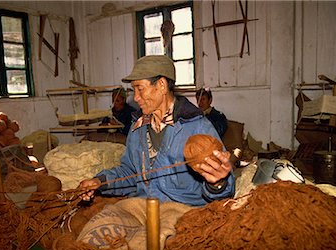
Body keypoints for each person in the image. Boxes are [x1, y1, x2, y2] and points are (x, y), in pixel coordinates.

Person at [79, 55, 235, 206]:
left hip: (184, 210)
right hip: (144, 207)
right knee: (100, 227)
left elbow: (224, 184)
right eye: (134, 90)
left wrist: (218, 183)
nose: (136, 98)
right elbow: (129, 173)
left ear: (161, 85)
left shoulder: (197, 126)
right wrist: (100, 182)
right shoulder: (138, 128)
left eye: (140, 89)